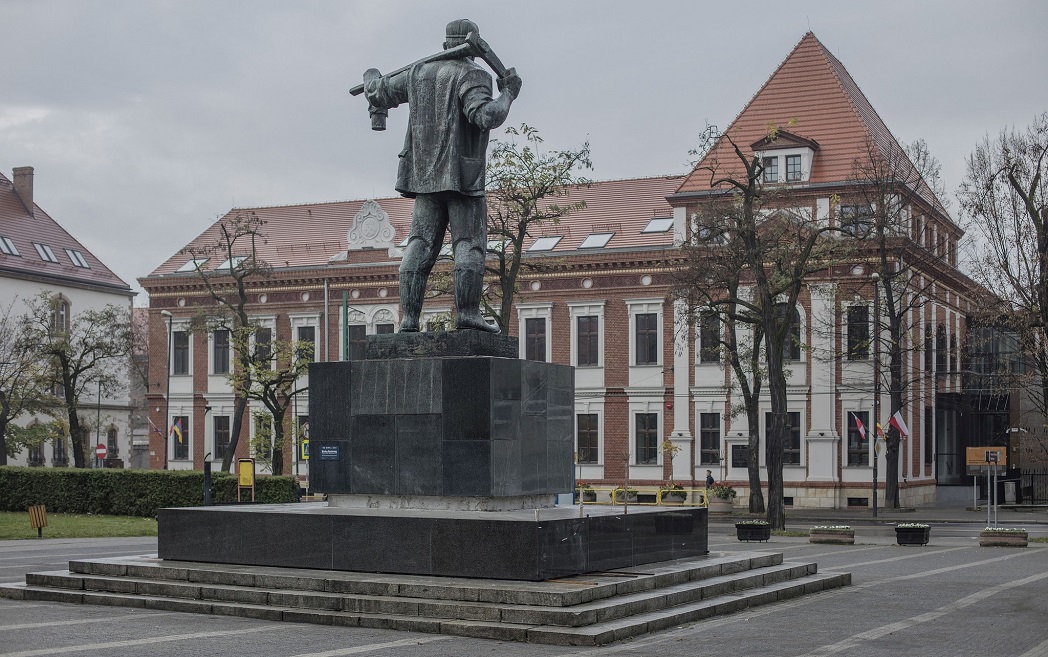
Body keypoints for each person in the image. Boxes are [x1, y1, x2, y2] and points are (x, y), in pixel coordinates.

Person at [363, 19, 522, 333]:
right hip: (462, 178)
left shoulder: (419, 73)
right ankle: (467, 314)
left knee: (419, 244)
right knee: (469, 245)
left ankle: (409, 320)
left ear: (447, 43)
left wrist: (371, 76)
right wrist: (509, 94)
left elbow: (376, 92)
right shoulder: (472, 74)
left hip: (424, 178)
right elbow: (486, 116)